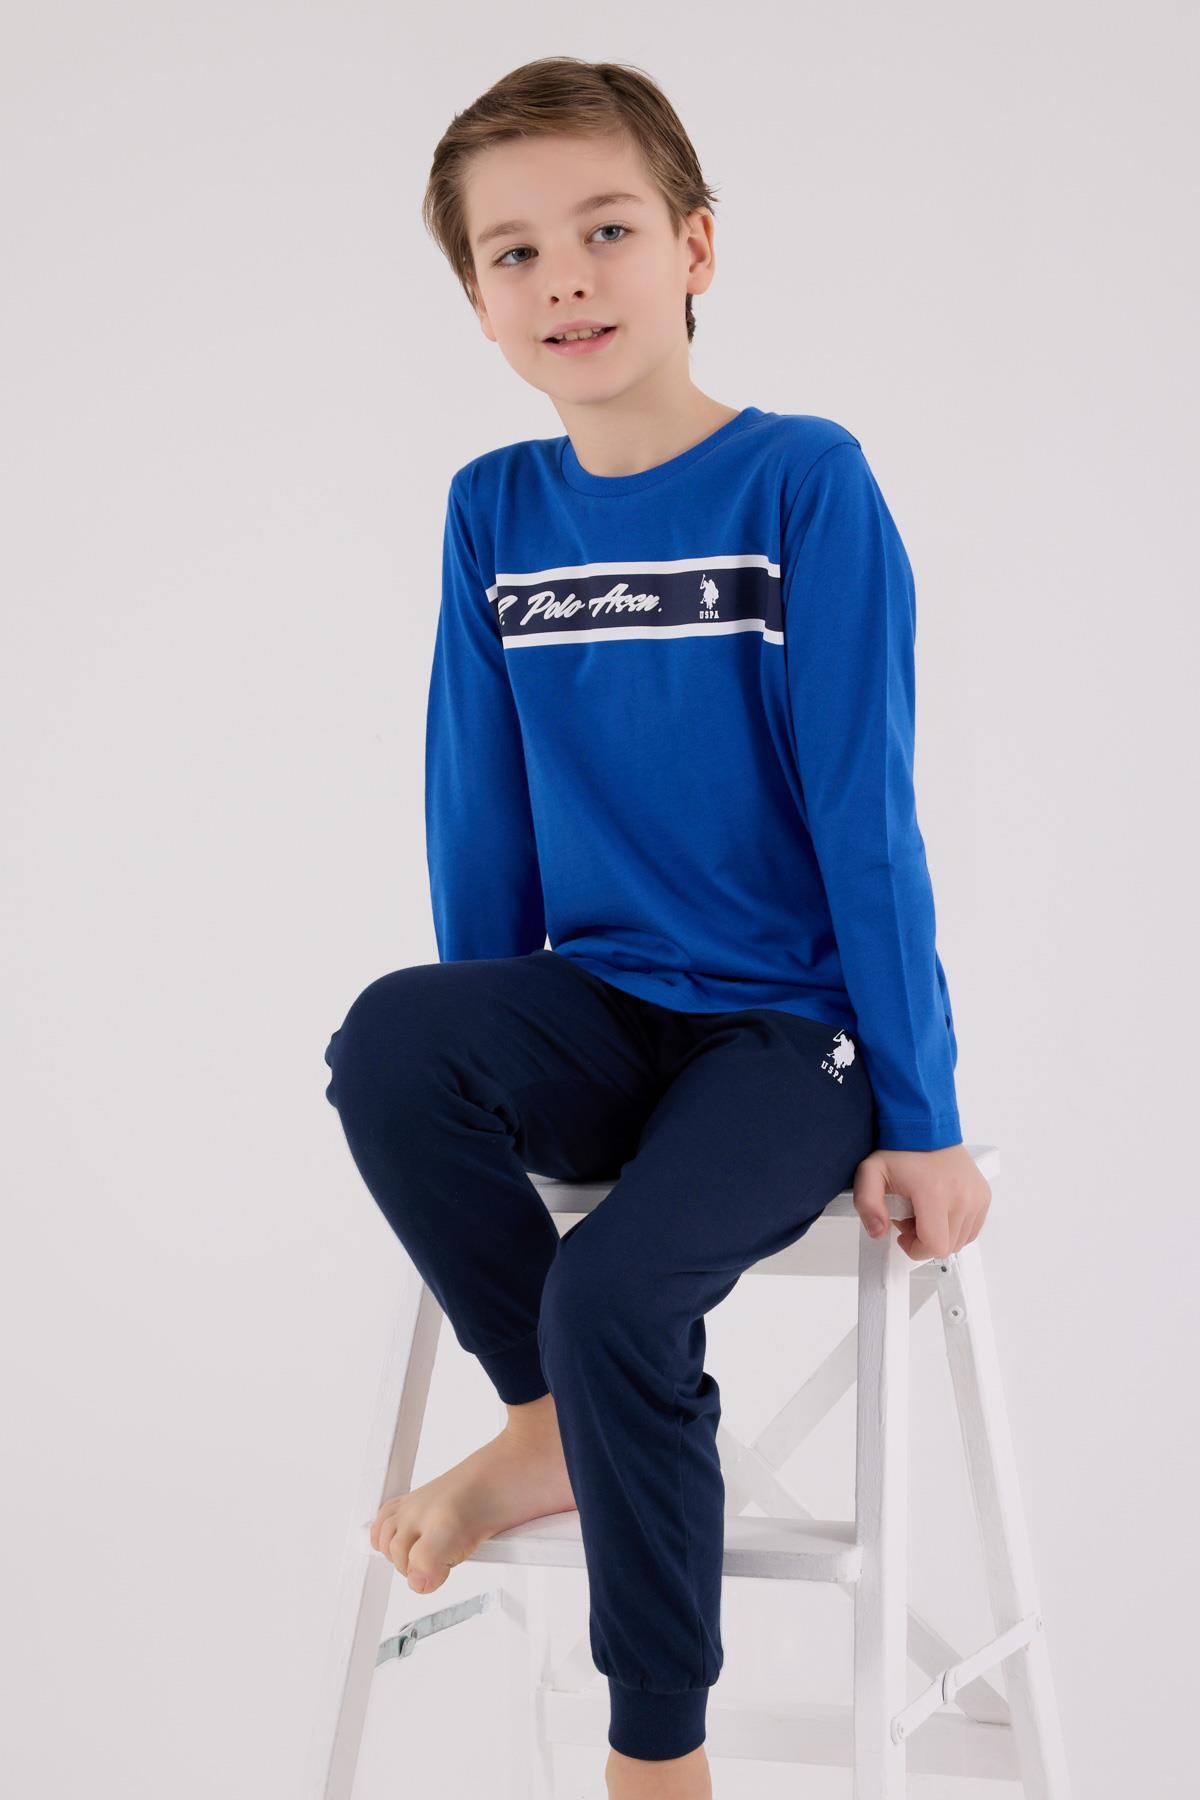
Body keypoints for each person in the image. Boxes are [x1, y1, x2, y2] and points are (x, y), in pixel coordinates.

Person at [323, 54, 992, 1800]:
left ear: (694, 247)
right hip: (605, 1009)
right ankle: (543, 1423)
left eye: (606, 232)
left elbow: (866, 813)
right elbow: (479, 810)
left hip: (789, 1040)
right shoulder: (494, 511)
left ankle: (656, 1756)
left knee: (616, 1291)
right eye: (516, 254)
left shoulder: (803, 482)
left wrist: (924, 1112)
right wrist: (491, 1033)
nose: (566, 279)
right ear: (479, 304)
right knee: (392, 1035)